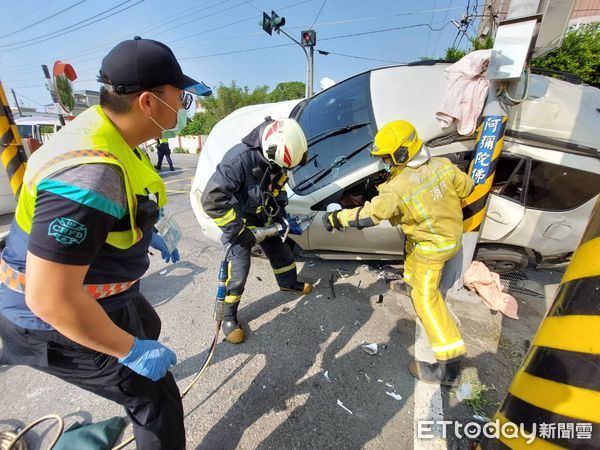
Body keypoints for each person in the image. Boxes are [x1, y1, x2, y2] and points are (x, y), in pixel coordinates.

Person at [0, 36, 211, 449]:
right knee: (156, 399)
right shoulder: (91, 173)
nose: (185, 107)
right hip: (45, 320)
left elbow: (128, 202)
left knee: (147, 323)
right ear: (148, 102)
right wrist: (130, 351)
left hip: (105, 292)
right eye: (180, 97)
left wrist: (151, 230)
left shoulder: (113, 135)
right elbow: (51, 300)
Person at [322, 120, 475, 386]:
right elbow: (467, 188)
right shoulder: (442, 166)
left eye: (386, 157)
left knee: (427, 301)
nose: (384, 162)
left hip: (433, 247)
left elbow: (369, 215)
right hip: (446, 236)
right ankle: (408, 283)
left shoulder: (397, 188)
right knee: (410, 248)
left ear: (401, 154)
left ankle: (449, 366)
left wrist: (336, 219)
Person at [201, 117, 312, 344]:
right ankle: (228, 317)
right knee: (238, 270)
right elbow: (211, 200)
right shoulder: (238, 160)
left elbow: (278, 186)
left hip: (263, 215)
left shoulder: (278, 156)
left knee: (282, 253)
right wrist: (239, 231)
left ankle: (288, 283)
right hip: (238, 220)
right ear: (269, 151)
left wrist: (278, 214)